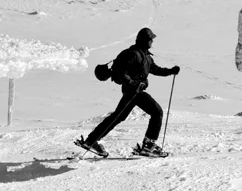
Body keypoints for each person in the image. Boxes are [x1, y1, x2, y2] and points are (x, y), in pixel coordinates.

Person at [75, 28, 179, 157]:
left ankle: (92, 140)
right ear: (145, 40)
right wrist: (134, 84)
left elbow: (156, 70)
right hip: (133, 92)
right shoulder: (134, 54)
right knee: (157, 112)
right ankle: (148, 145)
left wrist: (171, 71)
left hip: (133, 92)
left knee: (118, 116)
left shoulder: (146, 56)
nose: (152, 41)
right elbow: (121, 72)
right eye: (151, 39)